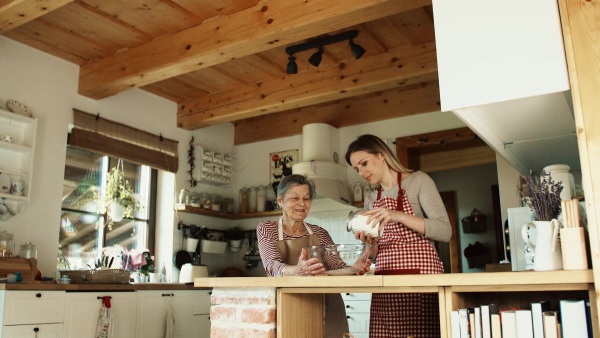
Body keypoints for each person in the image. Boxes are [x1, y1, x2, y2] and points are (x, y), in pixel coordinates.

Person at [345, 134, 452, 338]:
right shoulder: (371, 199)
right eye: (357, 169)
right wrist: (370, 245)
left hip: (419, 278)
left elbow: (445, 231)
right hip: (386, 280)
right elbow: (376, 252)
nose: (361, 172)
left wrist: (398, 216)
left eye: (364, 163)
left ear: (381, 154)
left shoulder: (418, 181)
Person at [257, 174, 371, 338]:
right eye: (295, 198)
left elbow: (338, 266)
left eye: (306, 198)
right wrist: (297, 270)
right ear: (280, 200)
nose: (302, 204)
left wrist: (354, 268)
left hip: (329, 304)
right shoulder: (268, 229)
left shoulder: (320, 232)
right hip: (291, 303)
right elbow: (271, 266)